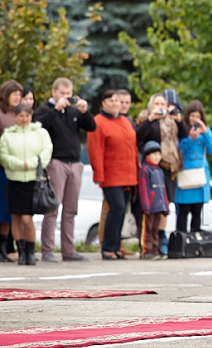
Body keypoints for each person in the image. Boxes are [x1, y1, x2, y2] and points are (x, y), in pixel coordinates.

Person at [34, 78, 96, 263]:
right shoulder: (46, 110)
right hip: (56, 163)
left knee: (70, 209)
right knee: (52, 207)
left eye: (69, 94)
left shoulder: (72, 111)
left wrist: (85, 112)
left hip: (74, 164)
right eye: (62, 93)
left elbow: (91, 127)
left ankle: (69, 251)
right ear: (53, 92)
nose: (66, 97)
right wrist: (56, 109)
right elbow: (39, 125)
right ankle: (47, 250)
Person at [0, 103, 53, 265]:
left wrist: (30, 163)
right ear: (15, 117)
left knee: (27, 219)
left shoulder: (40, 132)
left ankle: (30, 250)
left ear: (31, 116)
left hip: (32, 180)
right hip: (14, 179)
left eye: (27, 116)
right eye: (20, 116)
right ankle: (21, 251)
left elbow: (46, 151)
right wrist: (18, 164)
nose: (24, 119)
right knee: (15, 217)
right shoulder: (8, 134)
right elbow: (4, 155)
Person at [87, 90, 138, 260]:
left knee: (122, 210)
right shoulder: (98, 122)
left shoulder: (124, 120)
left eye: (117, 100)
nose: (115, 103)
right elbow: (95, 150)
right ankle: (107, 247)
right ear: (103, 103)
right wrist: (98, 174)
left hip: (128, 173)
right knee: (116, 208)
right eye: (111, 101)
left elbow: (133, 147)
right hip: (111, 174)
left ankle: (116, 246)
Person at [136, 92, 188, 255]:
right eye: (157, 103)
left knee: (164, 206)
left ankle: (160, 241)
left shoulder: (170, 121)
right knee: (151, 206)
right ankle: (148, 243)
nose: (160, 106)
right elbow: (138, 137)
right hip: (151, 167)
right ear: (151, 105)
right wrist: (151, 118)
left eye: (163, 104)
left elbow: (184, 135)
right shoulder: (146, 118)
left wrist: (179, 120)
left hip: (168, 167)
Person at [0, 80, 23, 263]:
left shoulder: (18, 114)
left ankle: (3, 247)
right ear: (5, 95)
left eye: (19, 95)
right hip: (0, 168)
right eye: (14, 94)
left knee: (7, 212)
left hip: (14, 170)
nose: (17, 98)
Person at [175, 100, 212, 233]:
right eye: (192, 116)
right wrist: (190, 139)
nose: (195, 119)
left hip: (200, 174)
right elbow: (178, 150)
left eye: (198, 117)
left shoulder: (206, 132)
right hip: (186, 174)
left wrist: (206, 133)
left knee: (197, 211)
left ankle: (195, 240)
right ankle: (181, 240)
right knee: (183, 210)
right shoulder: (182, 130)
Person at [138, 141, 169, 259]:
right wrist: (146, 205)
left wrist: (165, 206)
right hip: (149, 206)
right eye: (154, 154)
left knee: (156, 229)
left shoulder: (160, 171)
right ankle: (147, 250)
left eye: (158, 154)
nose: (157, 157)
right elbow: (143, 188)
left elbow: (163, 190)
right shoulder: (145, 170)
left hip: (159, 206)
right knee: (148, 229)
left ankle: (155, 249)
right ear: (147, 156)